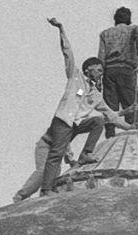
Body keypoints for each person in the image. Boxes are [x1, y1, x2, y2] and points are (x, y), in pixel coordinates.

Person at [39, 17, 130, 197]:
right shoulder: (76, 77)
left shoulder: (95, 94)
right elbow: (67, 53)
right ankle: (46, 189)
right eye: (99, 70)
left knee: (97, 121)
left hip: (74, 125)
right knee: (56, 154)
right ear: (89, 69)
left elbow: (110, 115)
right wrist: (61, 29)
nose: (101, 73)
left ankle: (86, 154)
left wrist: (129, 127)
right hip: (63, 121)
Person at [98, 6, 138, 138]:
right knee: (130, 101)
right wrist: (137, 57)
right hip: (126, 69)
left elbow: (101, 57)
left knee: (110, 104)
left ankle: (110, 132)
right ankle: (133, 129)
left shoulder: (105, 34)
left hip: (109, 70)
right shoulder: (133, 29)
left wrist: (98, 78)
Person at [13, 130, 75, 203]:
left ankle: (44, 194)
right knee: (45, 170)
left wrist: (69, 158)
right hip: (45, 145)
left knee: (56, 170)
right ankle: (20, 195)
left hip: (55, 148)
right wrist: (70, 159)